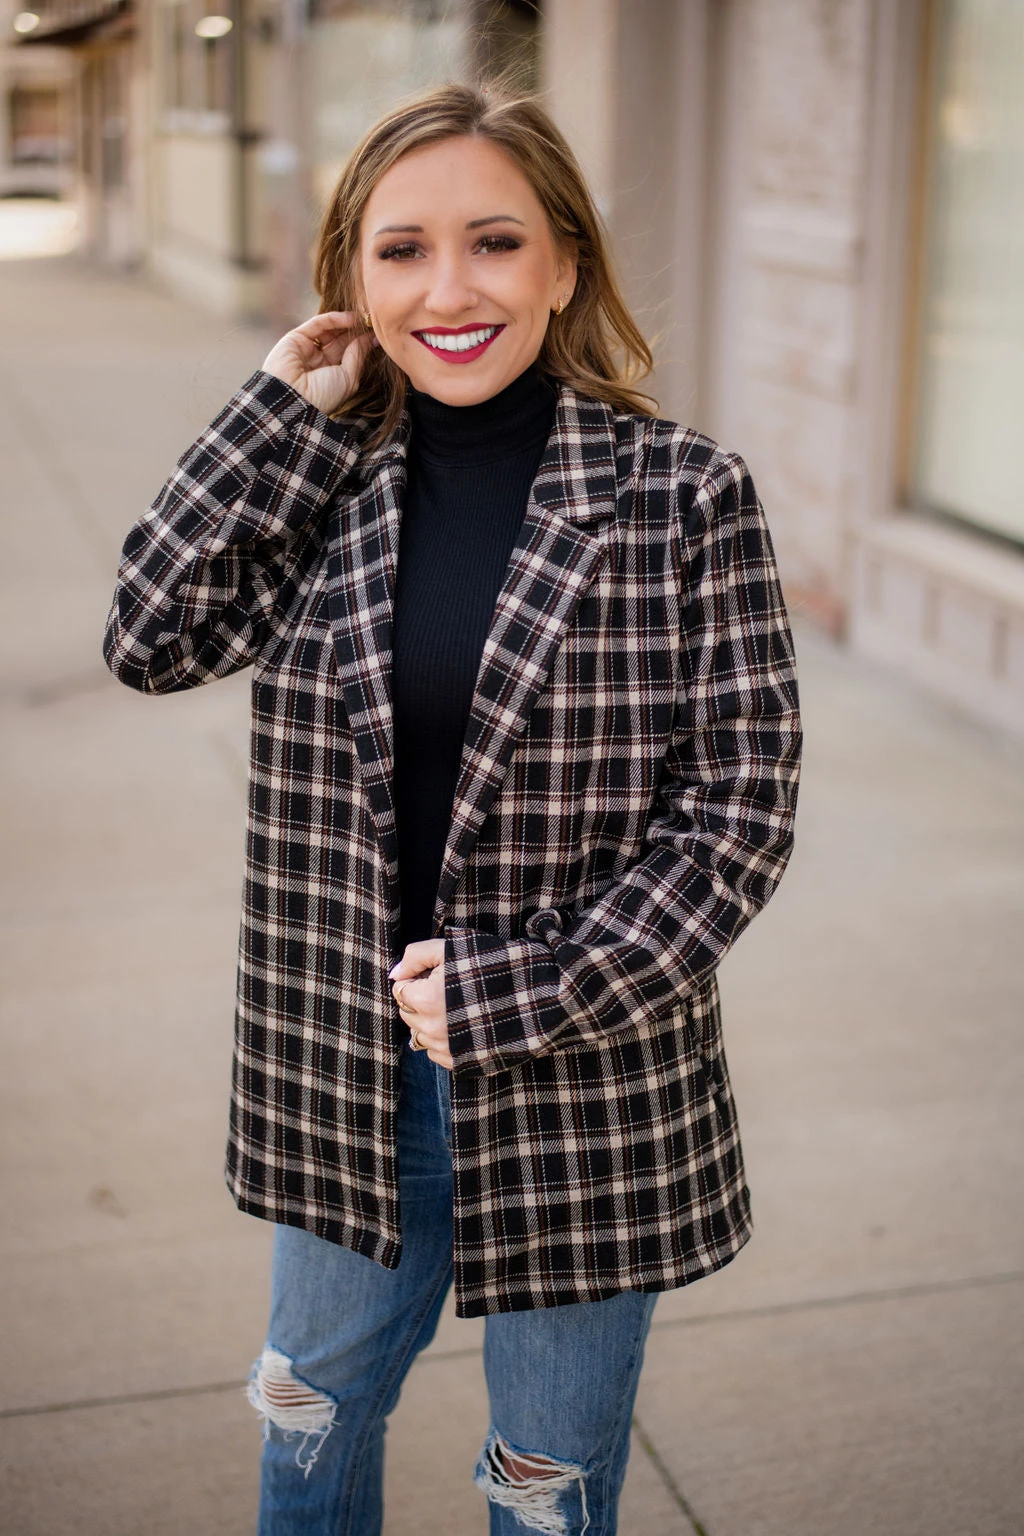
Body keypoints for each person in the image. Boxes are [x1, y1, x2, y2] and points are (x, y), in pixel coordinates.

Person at [104, 81, 801, 1536]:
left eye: (494, 242)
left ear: (564, 265)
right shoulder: (323, 481)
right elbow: (149, 635)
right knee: (306, 1433)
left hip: (584, 1083)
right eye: (402, 250)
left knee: (547, 1488)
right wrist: (274, 415)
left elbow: (738, 815)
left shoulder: (684, 497)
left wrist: (523, 988)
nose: (450, 290)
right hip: (344, 1077)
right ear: (354, 283)